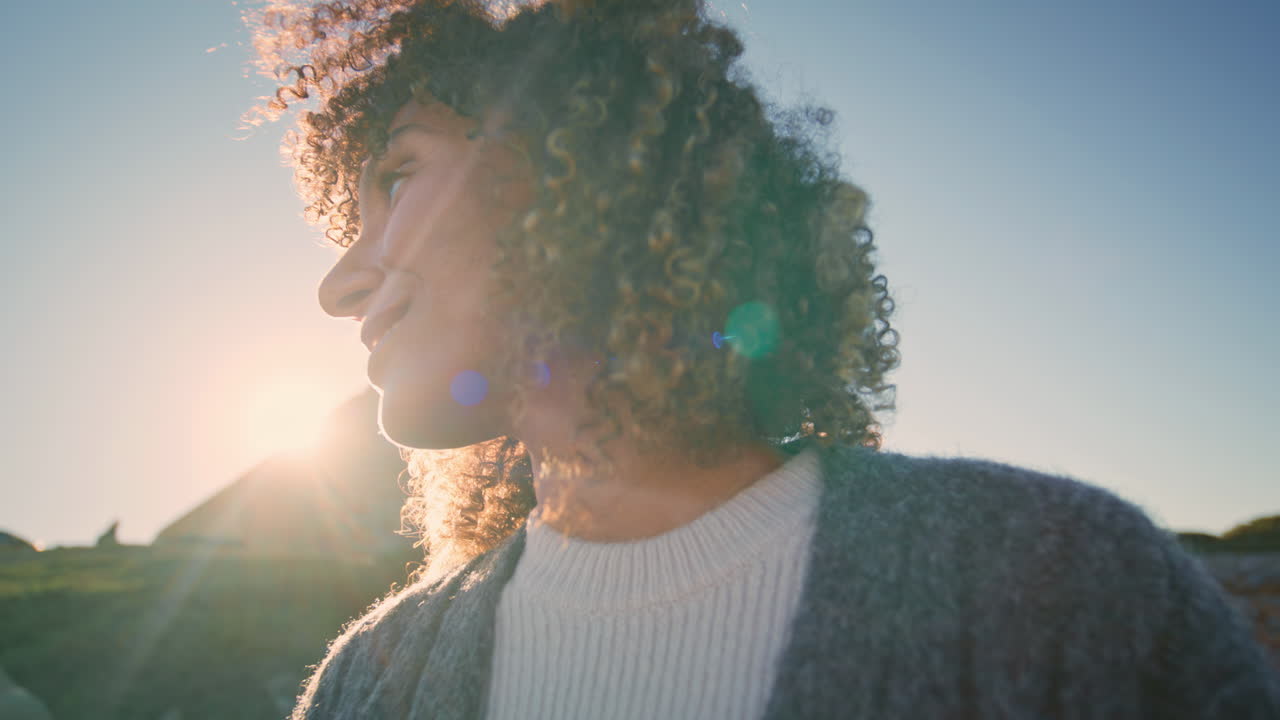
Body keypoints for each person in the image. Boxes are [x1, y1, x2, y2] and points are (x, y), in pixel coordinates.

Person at [250, 0, 1280, 717]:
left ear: (586, 171)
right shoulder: (370, 686)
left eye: (397, 174)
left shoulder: (1064, 585)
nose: (338, 283)